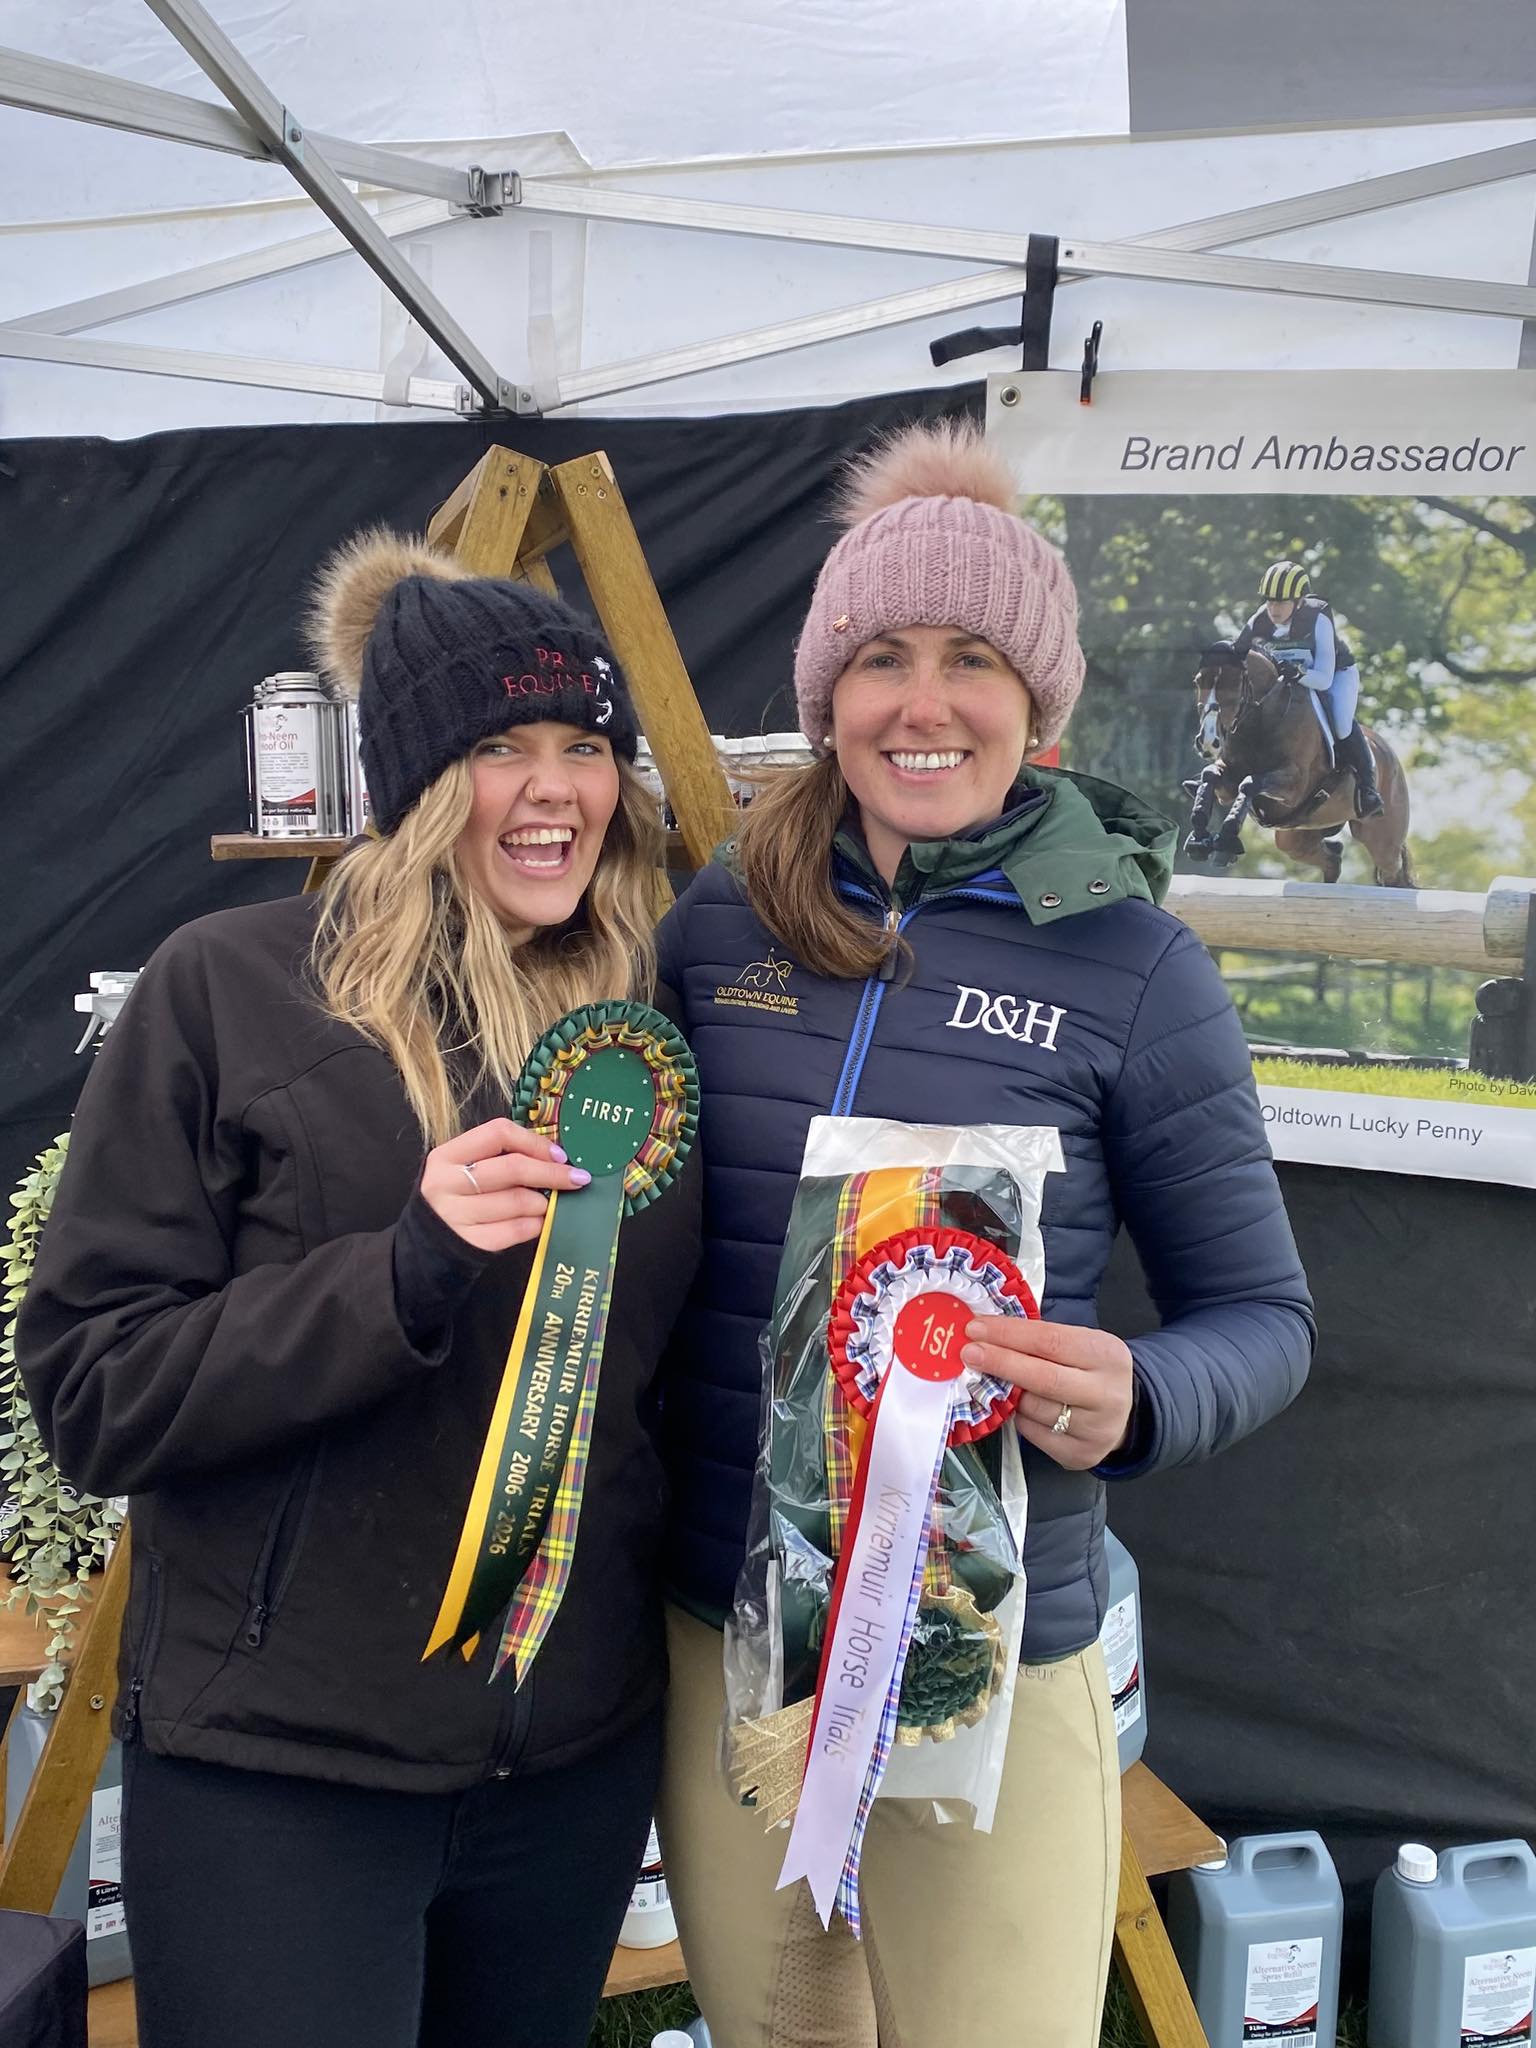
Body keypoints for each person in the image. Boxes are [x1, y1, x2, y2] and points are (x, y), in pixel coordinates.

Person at [654, 422, 1315, 2047]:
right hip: (727, 1630)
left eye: (971, 657)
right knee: (780, 2034)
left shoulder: (1138, 967)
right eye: (880, 655)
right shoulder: (719, 919)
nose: (923, 701)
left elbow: (1264, 1316)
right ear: (826, 692)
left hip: (994, 1644)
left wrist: (1138, 1391)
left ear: (1039, 701)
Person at [18, 533, 700, 2048]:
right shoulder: (229, 991)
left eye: (585, 747)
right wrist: (397, 1275)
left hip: (571, 1768)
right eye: (496, 748)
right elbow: (91, 1386)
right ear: (410, 779)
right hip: (286, 1777)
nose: (552, 792)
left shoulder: (653, 1019)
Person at [1232, 559, 1384, 817]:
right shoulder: (1260, 620)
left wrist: (1298, 672)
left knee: (1341, 723)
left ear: (1299, 601)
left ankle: (1368, 789)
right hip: (1289, 683)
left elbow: (1323, 679)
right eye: (1269, 600)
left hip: (1335, 675)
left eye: (1281, 602)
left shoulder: (1318, 619)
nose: (1273, 608)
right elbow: (1235, 657)